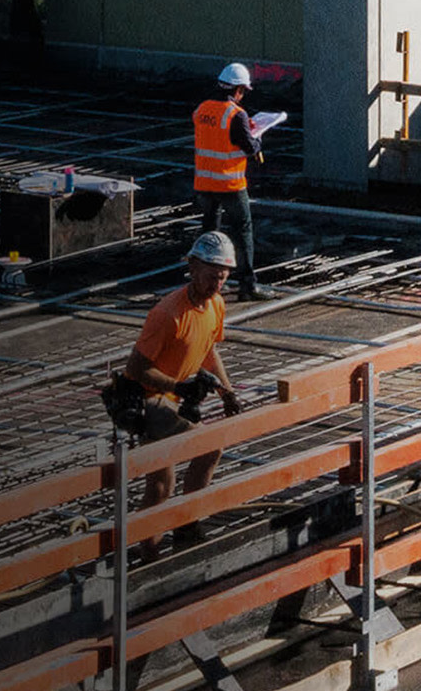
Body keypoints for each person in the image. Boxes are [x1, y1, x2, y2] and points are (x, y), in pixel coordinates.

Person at [124, 230, 243, 555]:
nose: (216, 286)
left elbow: (208, 351)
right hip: (149, 400)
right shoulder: (167, 314)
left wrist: (226, 391)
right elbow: (136, 369)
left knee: (199, 456)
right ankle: (153, 548)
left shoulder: (216, 305)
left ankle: (185, 525)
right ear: (192, 268)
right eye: (210, 278)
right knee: (163, 484)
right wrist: (177, 386)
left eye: (221, 278)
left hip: (176, 398)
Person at [194, 62, 275, 300]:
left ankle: (202, 279)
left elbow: (215, 137)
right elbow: (249, 147)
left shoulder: (201, 110)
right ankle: (248, 285)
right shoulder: (236, 114)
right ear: (238, 89)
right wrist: (257, 139)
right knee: (243, 230)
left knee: (209, 231)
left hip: (204, 184)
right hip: (229, 184)